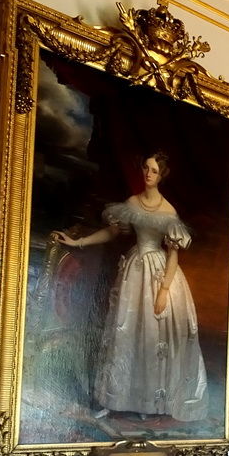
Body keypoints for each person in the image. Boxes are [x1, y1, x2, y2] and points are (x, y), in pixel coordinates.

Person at [53, 151, 207, 422]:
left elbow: (173, 254)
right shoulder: (132, 203)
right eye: (146, 168)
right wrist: (78, 242)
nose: (148, 174)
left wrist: (163, 291)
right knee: (127, 333)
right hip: (134, 272)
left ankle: (151, 402)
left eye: (154, 171)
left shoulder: (168, 211)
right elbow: (112, 232)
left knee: (151, 336)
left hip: (159, 273)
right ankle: (122, 398)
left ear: (161, 176)